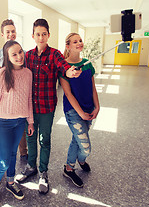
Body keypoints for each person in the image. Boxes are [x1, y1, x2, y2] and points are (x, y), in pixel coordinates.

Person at [16, 19, 81, 194]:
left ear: (48, 35)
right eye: (38, 34)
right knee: (30, 139)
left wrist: (70, 71)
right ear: (33, 36)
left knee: (44, 140)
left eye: (44, 34)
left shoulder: (55, 54)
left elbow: (64, 66)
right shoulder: (27, 56)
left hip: (47, 107)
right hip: (29, 107)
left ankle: (43, 173)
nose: (41, 37)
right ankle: (31, 167)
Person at [0, 40, 34, 207]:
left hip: (20, 123)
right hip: (3, 123)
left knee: (12, 155)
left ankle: (10, 183)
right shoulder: (1, 74)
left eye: (20, 52)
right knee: (3, 160)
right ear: (8, 57)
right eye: (14, 54)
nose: (19, 57)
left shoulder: (28, 73)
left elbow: (28, 99)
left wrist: (30, 122)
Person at [59, 33, 100, 187]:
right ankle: (81, 159)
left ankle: (69, 169)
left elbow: (93, 88)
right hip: (73, 111)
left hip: (89, 108)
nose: (79, 43)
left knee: (76, 139)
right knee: (86, 147)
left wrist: (97, 106)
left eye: (80, 40)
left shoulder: (88, 64)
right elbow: (68, 94)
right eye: (75, 41)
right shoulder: (64, 67)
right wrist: (81, 113)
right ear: (68, 46)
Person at [0, 19, 29, 162]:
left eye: (13, 31)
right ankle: (3, 154)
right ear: (3, 35)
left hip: (19, 99)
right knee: (3, 131)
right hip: (3, 101)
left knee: (21, 129)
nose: (11, 34)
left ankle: (23, 153)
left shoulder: (23, 53)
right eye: (7, 32)